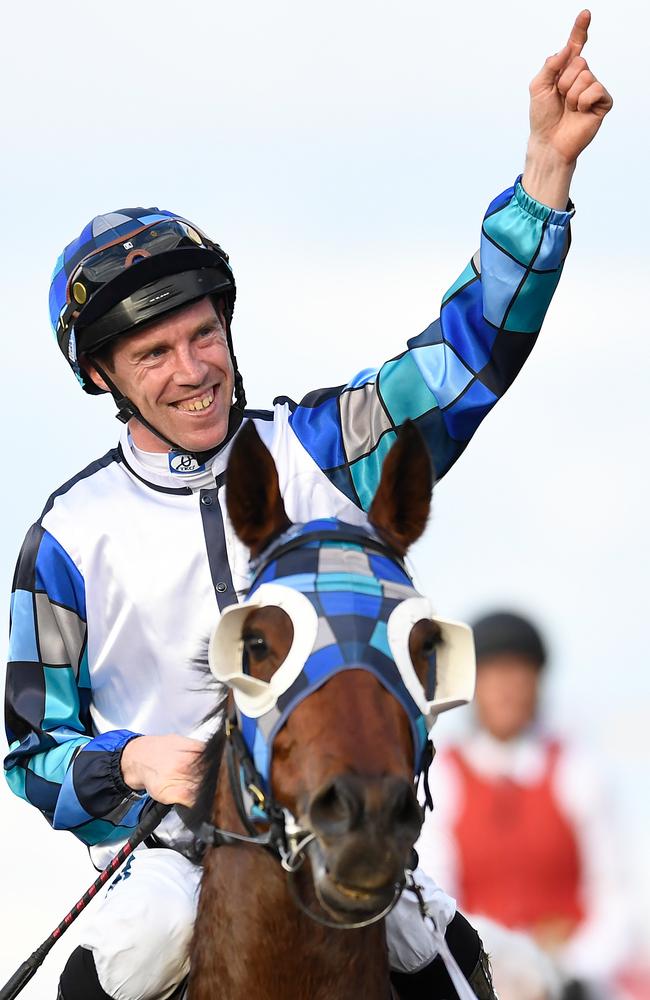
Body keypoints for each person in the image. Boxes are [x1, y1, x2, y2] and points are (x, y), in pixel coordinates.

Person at [3, 12, 612, 1000]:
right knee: (139, 941)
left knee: (460, 959)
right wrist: (133, 763)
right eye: (153, 355)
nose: (192, 369)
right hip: (172, 854)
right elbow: (33, 749)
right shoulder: (67, 536)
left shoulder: (327, 447)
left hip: (348, 819)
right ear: (104, 378)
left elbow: (458, 364)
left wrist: (543, 175)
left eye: (202, 334)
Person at [416, 611, 633, 1000]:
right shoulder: (443, 778)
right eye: (494, 675)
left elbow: (614, 895)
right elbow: (441, 893)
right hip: (485, 978)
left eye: (519, 674)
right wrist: (502, 965)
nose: (507, 690)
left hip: (574, 983)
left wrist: (571, 970)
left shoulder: (579, 769)